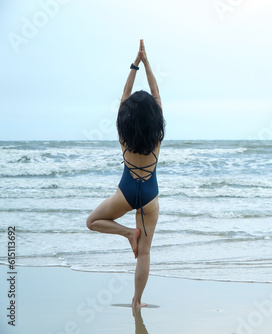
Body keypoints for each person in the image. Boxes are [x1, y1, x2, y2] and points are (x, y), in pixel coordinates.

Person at [86, 39, 165, 311]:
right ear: (155, 116)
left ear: (127, 116)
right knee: (144, 252)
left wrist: (135, 64)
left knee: (93, 221)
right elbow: (155, 92)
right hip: (150, 197)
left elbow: (124, 94)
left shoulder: (122, 132)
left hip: (126, 192)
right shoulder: (158, 135)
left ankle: (127, 233)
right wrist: (147, 62)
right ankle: (136, 302)